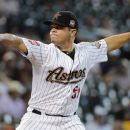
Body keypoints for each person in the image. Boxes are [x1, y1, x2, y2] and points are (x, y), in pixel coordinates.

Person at [0, 11, 130, 130]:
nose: (53, 31)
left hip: (69, 121)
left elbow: (110, 43)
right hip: (38, 119)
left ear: (72, 32)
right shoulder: (44, 51)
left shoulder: (86, 52)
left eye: (59, 27)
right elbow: (16, 41)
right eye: (52, 27)